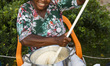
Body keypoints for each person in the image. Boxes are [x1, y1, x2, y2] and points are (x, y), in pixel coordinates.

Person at [17, 0, 85, 65]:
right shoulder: (25, 9)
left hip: (63, 51)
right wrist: (56, 40)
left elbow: (78, 1)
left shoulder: (55, 3)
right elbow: (25, 39)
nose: (43, 0)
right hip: (37, 56)